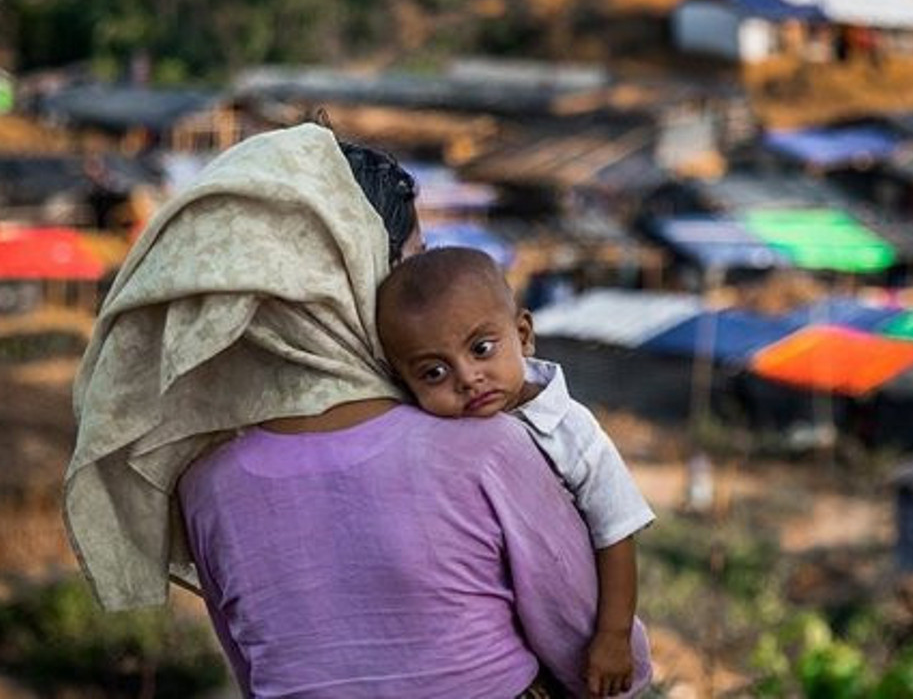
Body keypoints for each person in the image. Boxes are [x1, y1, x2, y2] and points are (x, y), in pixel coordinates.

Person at [64, 123, 651, 697]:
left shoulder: (206, 487)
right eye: (409, 263)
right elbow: (595, 658)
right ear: (350, 273)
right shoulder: (485, 445)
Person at [377, 248, 656, 698]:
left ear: (523, 334)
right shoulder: (429, 441)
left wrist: (613, 636)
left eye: (481, 349)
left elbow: (617, 533)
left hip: (583, 646)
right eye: (433, 371)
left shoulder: (572, 430)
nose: (467, 378)